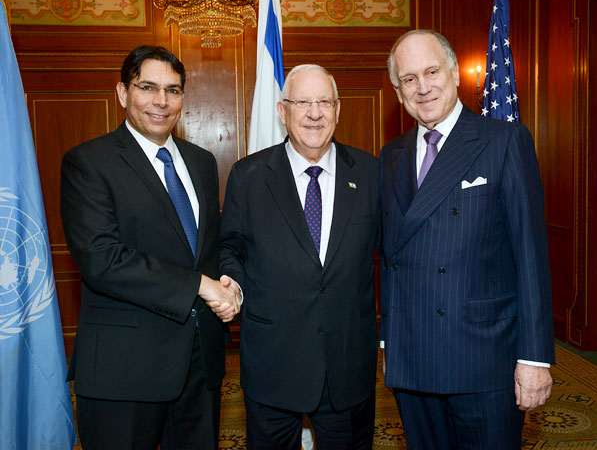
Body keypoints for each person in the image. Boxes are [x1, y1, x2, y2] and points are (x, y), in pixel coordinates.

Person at [379, 29, 555, 449]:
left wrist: (534, 358)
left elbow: (530, 256)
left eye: (431, 71)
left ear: (455, 73)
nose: (422, 87)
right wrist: (389, 340)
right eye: (408, 78)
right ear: (397, 90)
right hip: (413, 358)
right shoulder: (391, 156)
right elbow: (388, 258)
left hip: (484, 359)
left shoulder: (504, 141)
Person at [60, 45, 241, 450]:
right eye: (148, 87)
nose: (162, 101)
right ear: (123, 93)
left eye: (173, 90)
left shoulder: (202, 162)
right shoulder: (89, 163)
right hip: (124, 370)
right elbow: (101, 260)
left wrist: (228, 287)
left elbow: (207, 250)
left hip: (200, 364)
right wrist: (199, 285)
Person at [219, 64, 379, 450]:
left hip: (347, 363)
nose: (314, 112)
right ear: (282, 110)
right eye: (302, 102)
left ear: (338, 110)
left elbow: (392, 258)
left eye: (324, 101)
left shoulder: (373, 173)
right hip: (273, 360)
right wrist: (233, 283)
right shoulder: (249, 176)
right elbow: (229, 247)